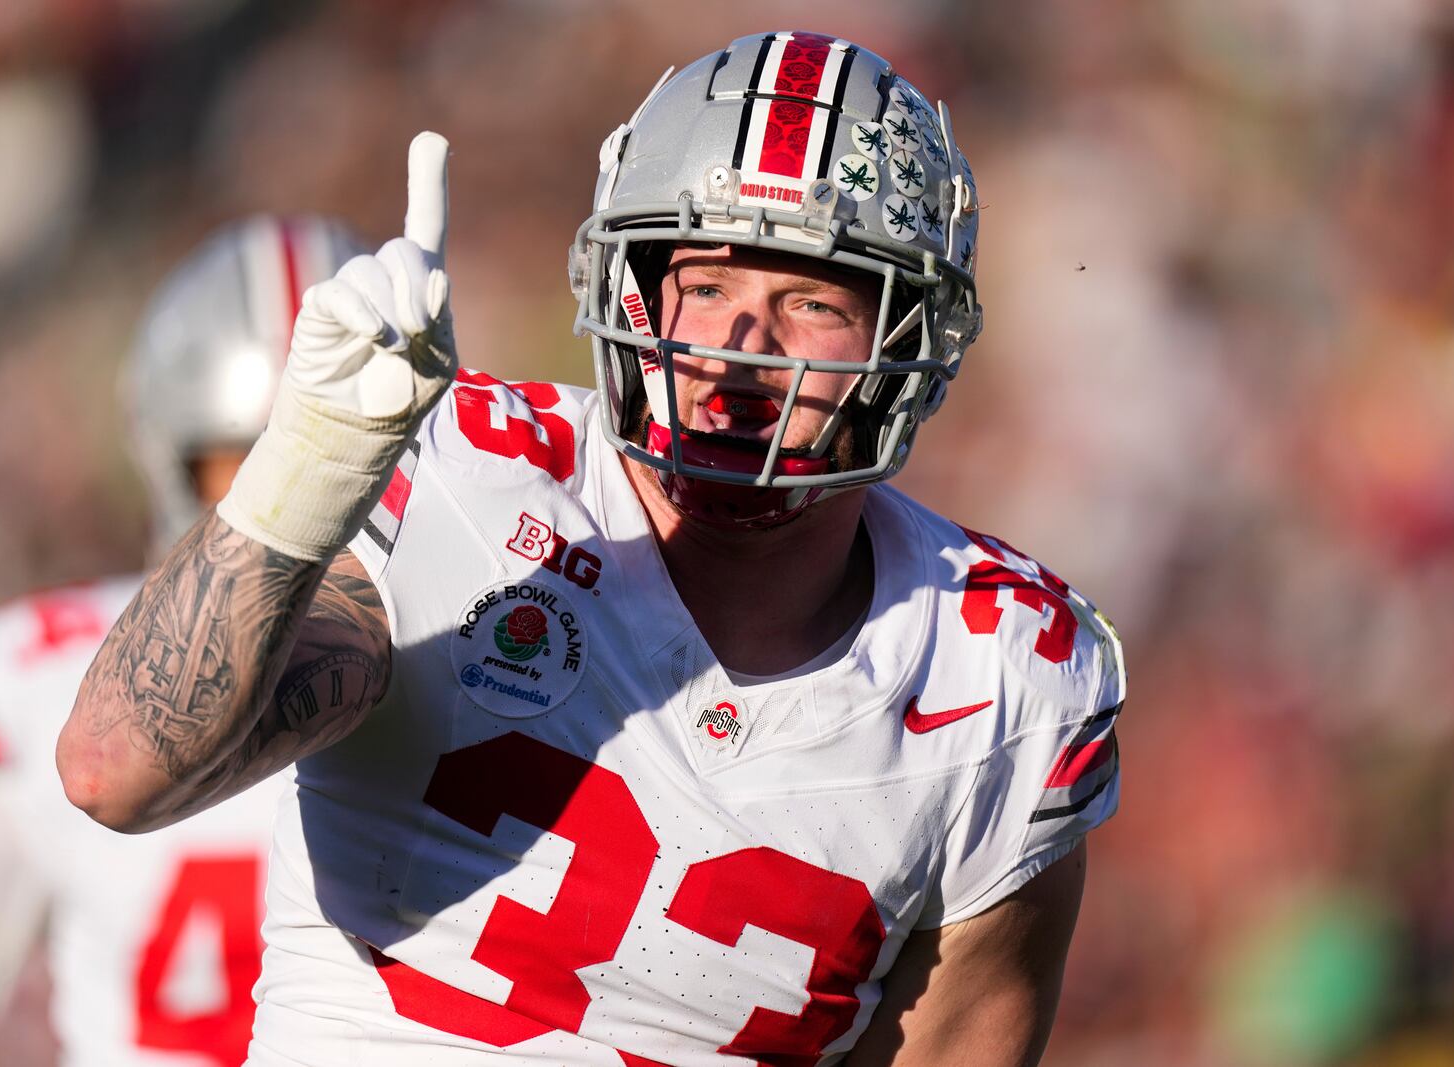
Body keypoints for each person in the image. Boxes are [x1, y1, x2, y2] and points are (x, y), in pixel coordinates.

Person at [59, 31, 1125, 1066]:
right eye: (705, 287)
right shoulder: (468, 479)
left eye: (809, 300)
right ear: (630, 286)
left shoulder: (1002, 679)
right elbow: (118, 768)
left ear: (908, 343)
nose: (739, 350)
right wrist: (304, 471)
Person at [0, 215, 365, 1067]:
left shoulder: (494, 648)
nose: (305, 519)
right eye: (253, 470)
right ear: (168, 459)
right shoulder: (54, 687)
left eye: (356, 466)